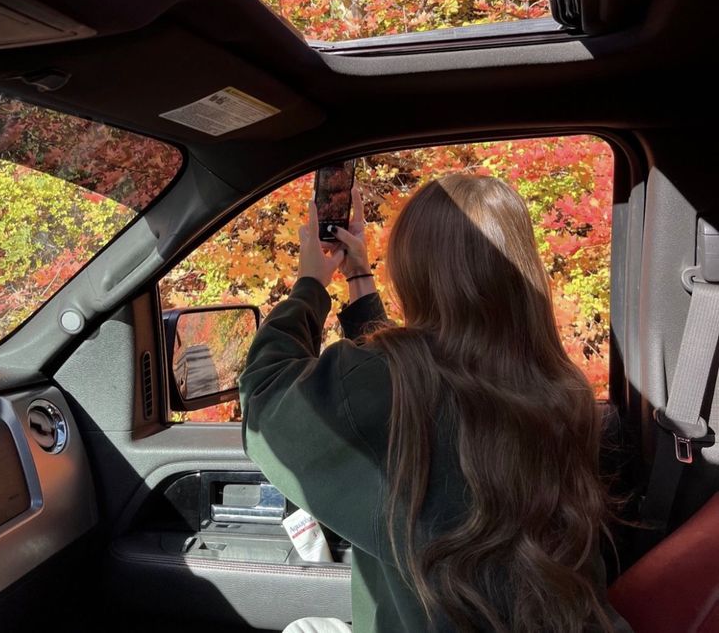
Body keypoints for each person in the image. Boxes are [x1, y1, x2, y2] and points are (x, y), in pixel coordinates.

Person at [239, 174, 632, 632]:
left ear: (414, 270)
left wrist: (310, 284)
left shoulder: (389, 386)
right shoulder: (561, 391)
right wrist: (360, 279)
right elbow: (424, 367)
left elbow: (263, 396)